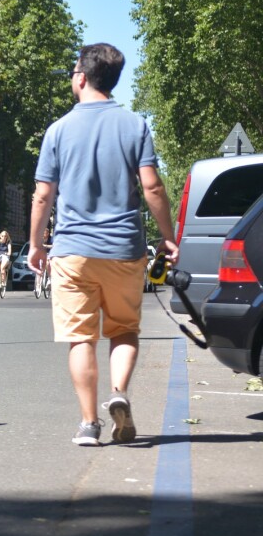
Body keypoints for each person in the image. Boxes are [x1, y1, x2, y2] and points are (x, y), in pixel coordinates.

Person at [28, 43, 179, 446]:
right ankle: (119, 392)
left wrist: (36, 244)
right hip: (124, 249)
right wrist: (168, 237)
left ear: (81, 77)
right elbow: (152, 186)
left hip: (72, 251)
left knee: (81, 339)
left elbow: (43, 195)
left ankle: (88, 425)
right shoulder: (135, 125)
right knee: (124, 330)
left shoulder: (58, 130)